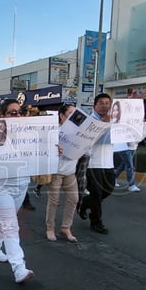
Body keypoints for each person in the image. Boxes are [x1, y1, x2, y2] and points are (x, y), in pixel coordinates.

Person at [0, 99, 34, 284]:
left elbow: (39, 157)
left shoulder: (29, 134)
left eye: (20, 112)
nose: (17, 115)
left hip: (21, 184)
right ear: (2, 116)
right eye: (12, 113)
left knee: (5, 220)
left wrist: (53, 152)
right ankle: (19, 267)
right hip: (1, 186)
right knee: (11, 224)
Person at [78, 93, 115, 234]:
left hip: (108, 162)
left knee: (108, 189)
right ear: (95, 106)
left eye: (107, 103)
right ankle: (96, 222)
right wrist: (105, 124)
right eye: (102, 103)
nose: (105, 106)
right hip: (93, 163)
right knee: (97, 194)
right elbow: (93, 140)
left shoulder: (114, 120)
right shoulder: (90, 121)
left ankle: (86, 203)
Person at [45, 104, 80, 243]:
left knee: (74, 199)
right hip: (56, 171)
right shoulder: (54, 132)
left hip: (71, 171)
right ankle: (50, 228)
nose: (73, 116)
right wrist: (55, 149)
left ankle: (66, 227)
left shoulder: (79, 132)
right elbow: (45, 151)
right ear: (62, 116)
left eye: (74, 113)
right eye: (70, 113)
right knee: (54, 201)